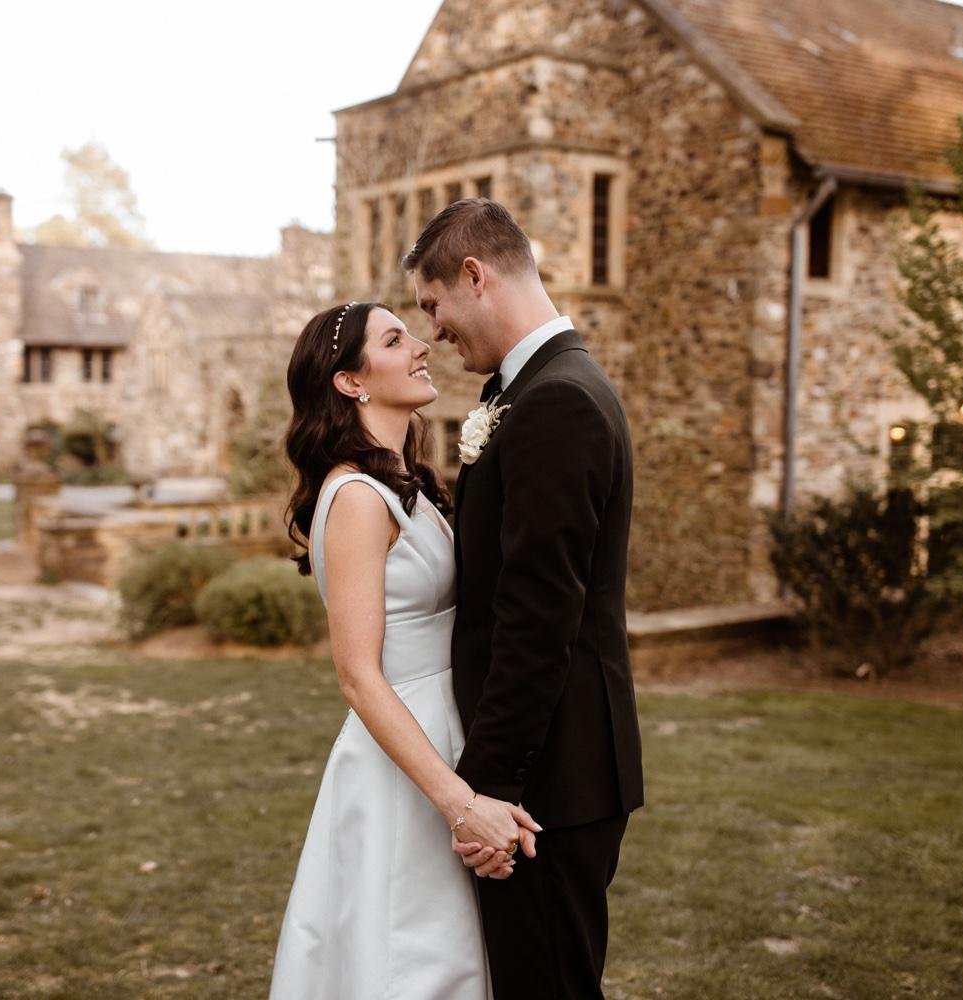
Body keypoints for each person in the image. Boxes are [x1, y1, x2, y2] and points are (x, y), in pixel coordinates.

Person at [403, 198, 644, 1000]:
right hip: (553, 768)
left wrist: (489, 789)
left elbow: (539, 619)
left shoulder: (557, 403)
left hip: (546, 780)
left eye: (433, 306)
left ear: (476, 276)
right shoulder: (536, 388)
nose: (433, 331)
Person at [269, 300, 540, 1000]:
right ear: (350, 382)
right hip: (404, 761)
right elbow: (359, 677)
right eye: (395, 339)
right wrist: (458, 803)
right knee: (409, 962)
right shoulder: (357, 497)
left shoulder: (405, 484)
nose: (423, 345)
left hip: (444, 731)